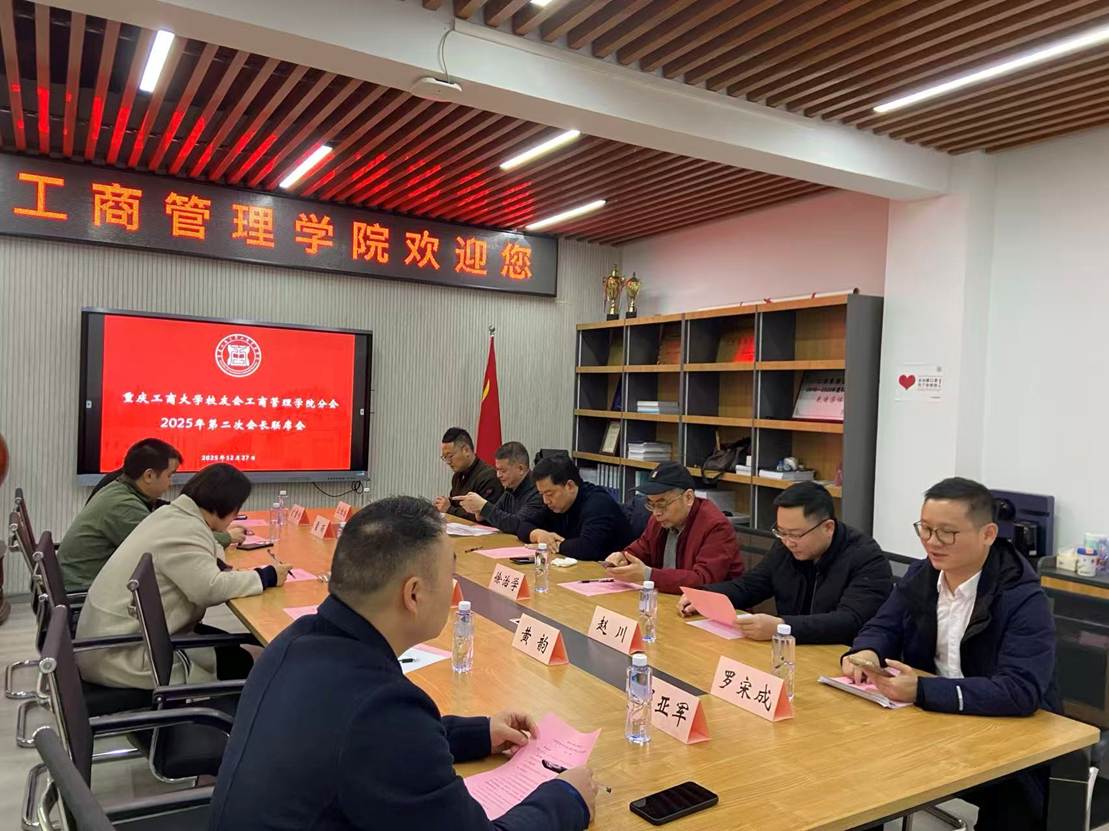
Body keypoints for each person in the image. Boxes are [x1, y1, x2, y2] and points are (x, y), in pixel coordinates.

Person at [209, 496, 595, 831]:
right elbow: (386, 735)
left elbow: (376, 745)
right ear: (413, 594)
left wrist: (480, 733)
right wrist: (567, 799)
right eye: (451, 574)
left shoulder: (296, 641)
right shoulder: (382, 709)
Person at [841, 477, 1059, 831]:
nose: (931, 542)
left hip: (1007, 733)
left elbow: (1019, 691)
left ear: (988, 534)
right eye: (925, 529)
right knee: (852, 767)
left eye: (947, 533)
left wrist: (922, 690)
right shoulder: (923, 574)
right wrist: (867, 651)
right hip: (931, 722)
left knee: (1015, 801)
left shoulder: (1021, 598)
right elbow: (883, 626)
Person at [75, 463, 290, 689]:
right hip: (123, 653)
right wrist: (266, 576)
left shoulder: (174, 515)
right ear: (228, 507)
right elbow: (209, 589)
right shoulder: (185, 530)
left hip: (122, 637)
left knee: (236, 649)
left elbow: (209, 557)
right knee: (243, 660)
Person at [678, 481, 892, 643]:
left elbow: (850, 621)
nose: (788, 542)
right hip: (789, 652)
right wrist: (706, 595)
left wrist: (782, 627)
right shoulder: (786, 547)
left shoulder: (867, 558)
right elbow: (751, 585)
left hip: (839, 658)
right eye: (781, 532)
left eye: (796, 534)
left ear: (828, 527)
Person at [58, 438, 245, 591]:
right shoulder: (123, 506)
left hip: (91, 582)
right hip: (84, 590)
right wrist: (227, 537)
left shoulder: (121, 490)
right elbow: (174, 543)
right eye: (170, 475)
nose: (170, 483)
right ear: (148, 476)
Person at [603, 461, 743, 593]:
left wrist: (649, 575)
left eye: (662, 504)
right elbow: (642, 549)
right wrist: (623, 558)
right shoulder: (658, 520)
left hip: (712, 606)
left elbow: (703, 580)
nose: (656, 512)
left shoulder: (716, 526)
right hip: (668, 598)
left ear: (688, 497)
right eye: (651, 504)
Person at [516, 454, 635, 560]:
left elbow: (588, 547)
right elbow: (522, 525)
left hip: (610, 571)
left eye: (549, 494)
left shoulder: (598, 503)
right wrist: (538, 534)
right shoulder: (555, 504)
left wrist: (553, 545)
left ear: (570, 486)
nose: (545, 501)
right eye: (542, 494)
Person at [452, 441, 545, 536]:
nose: (498, 475)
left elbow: (517, 525)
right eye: (497, 470)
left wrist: (483, 507)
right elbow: (497, 515)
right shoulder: (510, 488)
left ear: (520, 469)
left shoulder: (539, 491)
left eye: (503, 471)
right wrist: (478, 511)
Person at [433, 427, 503, 521]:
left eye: (450, 456)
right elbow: (455, 503)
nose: (448, 462)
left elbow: (484, 518)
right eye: (445, 458)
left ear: (466, 450)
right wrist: (443, 503)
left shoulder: (489, 477)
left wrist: (449, 509)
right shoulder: (457, 476)